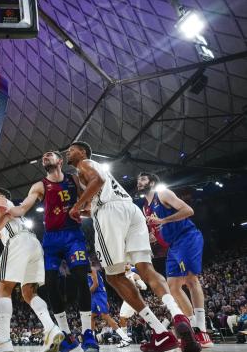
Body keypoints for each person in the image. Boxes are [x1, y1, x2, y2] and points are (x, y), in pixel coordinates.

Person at [65, 141, 200, 352]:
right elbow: (96, 201)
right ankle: (178, 315)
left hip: (110, 215)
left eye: (71, 150)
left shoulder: (85, 164)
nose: (68, 153)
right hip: (130, 210)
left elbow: (98, 183)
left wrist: (76, 205)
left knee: (114, 276)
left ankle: (160, 331)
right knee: (146, 268)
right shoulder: (97, 172)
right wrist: (78, 213)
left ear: (82, 152)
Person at [2, 151, 96, 352]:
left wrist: (81, 210)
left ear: (60, 161)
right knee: (50, 283)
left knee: (81, 277)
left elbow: (88, 201)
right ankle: (65, 335)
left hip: (73, 235)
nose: (45, 157)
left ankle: (88, 333)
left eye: (50, 155)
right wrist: (11, 211)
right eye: (43, 157)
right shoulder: (39, 186)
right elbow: (23, 207)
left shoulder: (73, 179)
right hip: (52, 239)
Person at [0, 186, 63, 352]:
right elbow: (12, 239)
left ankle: (4, 340)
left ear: (2, 195)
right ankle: (51, 328)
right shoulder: (11, 207)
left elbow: (5, 212)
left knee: (3, 289)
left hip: (18, 241)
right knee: (28, 293)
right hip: (32, 244)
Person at [137, 172, 213, 348]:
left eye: (143, 179)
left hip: (187, 237)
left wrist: (163, 220)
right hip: (172, 246)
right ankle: (193, 328)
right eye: (138, 180)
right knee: (172, 287)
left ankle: (203, 330)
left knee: (190, 279)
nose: (139, 182)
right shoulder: (144, 207)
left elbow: (188, 210)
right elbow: (157, 228)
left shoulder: (163, 194)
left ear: (152, 182)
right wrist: (153, 237)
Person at [88, 266, 131, 347]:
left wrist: (87, 293)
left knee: (105, 316)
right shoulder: (87, 272)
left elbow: (96, 284)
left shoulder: (92, 269)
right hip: (95, 295)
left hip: (98, 294)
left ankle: (125, 337)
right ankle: (92, 340)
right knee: (92, 317)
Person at [117, 264, 148, 348]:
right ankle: (125, 338)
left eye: (127, 263)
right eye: (124, 264)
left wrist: (135, 285)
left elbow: (144, 287)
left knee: (147, 317)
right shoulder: (121, 277)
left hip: (134, 298)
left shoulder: (134, 275)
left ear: (130, 266)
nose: (125, 265)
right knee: (122, 318)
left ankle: (125, 339)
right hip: (127, 300)